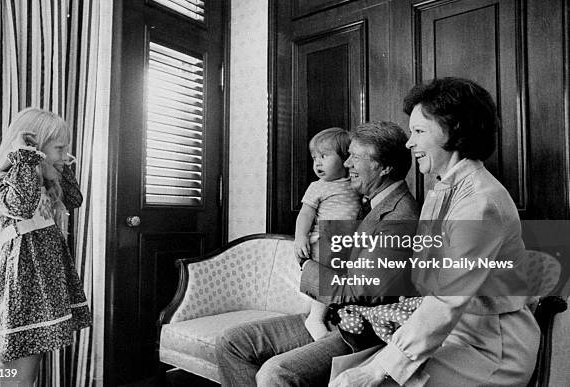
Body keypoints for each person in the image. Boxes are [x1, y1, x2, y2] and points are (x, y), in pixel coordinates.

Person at [330, 77, 539, 386]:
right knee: (342, 377)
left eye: (419, 131)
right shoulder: (443, 190)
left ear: (453, 131)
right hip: (454, 333)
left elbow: (446, 299)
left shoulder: (480, 202)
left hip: (492, 348)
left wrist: (377, 369)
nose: (408, 142)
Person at [216, 121, 420, 386]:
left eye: (356, 157)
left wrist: (306, 264)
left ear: (385, 167)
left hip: (359, 331)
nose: (347, 165)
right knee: (231, 343)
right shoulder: (371, 203)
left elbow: (362, 292)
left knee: (276, 373)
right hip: (335, 315)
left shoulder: (400, 217)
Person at [0, 108, 92, 385]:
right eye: (60, 149)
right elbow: (21, 206)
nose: (64, 156)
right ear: (32, 148)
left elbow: (75, 198)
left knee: (30, 367)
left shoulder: (43, 186)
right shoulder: (4, 184)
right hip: (22, 292)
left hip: (42, 289)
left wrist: (61, 166)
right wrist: (26, 156)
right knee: (17, 374)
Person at [294, 127, 361, 340]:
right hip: (323, 239)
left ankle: (329, 313)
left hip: (344, 241)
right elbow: (305, 214)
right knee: (329, 274)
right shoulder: (318, 186)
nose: (318, 163)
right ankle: (315, 317)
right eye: (315, 158)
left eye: (324, 156)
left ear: (345, 158)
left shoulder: (355, 183)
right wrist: (300, 237)